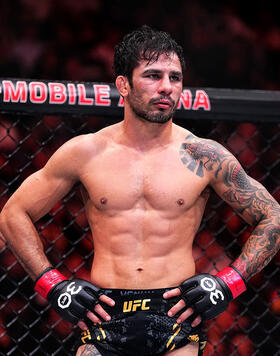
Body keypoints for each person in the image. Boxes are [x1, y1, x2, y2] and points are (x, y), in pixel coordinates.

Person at [0, 25, 280, 356]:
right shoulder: (86, 152)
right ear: (123, 84)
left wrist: (228, 283)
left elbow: (272, 215)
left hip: (176, 316)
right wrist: (53, 284)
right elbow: (12, 213)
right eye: (153, 75)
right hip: (104, 315)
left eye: (174, 78)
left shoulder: (204, 155)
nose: (166, 87)